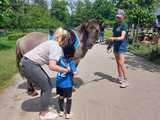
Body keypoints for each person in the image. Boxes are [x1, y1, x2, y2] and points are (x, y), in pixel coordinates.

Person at [20, 27, 70, 120]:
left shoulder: (51, 42)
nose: (68, 42)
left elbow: (46, 59)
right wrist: (66, 70)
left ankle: (45, 108)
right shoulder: (57, 47)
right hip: (30, 65)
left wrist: (60, 66)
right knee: (47, 87)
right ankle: (44, 114)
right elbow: (52, 66)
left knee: (46, 85)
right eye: (68, 40)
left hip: (26, 62)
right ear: (65, 39)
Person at [56, 45, 78, 119]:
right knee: (69, 98)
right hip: (68, 85)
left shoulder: (60, 59)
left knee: (61, 97)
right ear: (72, 53)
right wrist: (74, 71)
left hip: (59, 83)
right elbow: (75, 72)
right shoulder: (71, 62)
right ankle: (67, 114)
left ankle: (61, 112)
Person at [109, 9, 129, 88]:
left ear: (123, 17)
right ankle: (120, 77)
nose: (118, 18)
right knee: (118, 63)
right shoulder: (115, 25)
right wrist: (110, 44)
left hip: (122, 45)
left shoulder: (124, 25)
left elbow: (122, 37)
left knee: (121, 63)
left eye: (120, 17)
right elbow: (113, 35)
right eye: (117, 17)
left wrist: (113, 39)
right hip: (116, 45)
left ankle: (126, 80)